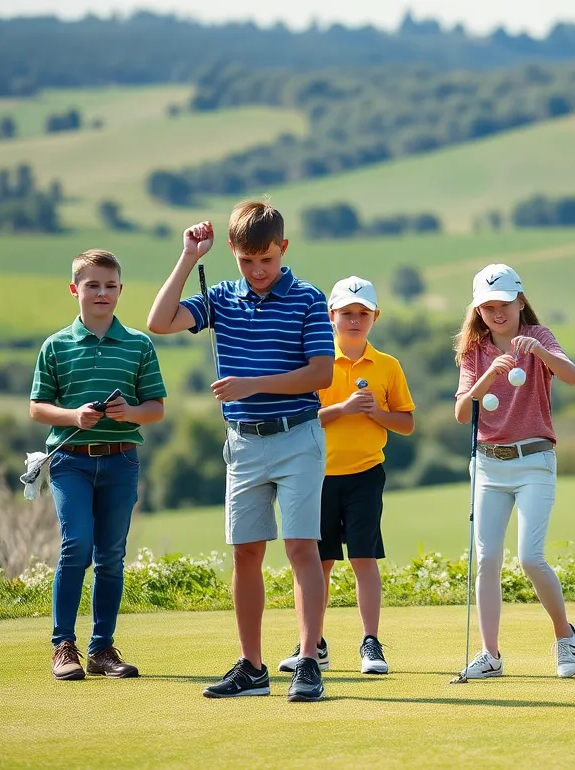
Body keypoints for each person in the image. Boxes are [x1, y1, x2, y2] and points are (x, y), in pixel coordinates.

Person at [147, 200, 335, 702]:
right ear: (231, 251)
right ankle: (251, 668)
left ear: (284, 249)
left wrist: (253, 385)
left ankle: (309, 662)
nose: (257, 272)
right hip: (243, 444)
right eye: (247, 261)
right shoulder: (221, 296)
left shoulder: (310, 299)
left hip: (298, 436)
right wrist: (189, 256)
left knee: (301, 549)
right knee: (246, 553)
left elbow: (323, 374)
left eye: (267, 261)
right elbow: (159, 321)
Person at [30, 249, 167, 681]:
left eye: (110, 285)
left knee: (111, 556)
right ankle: (63, 646)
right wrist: (74, 417)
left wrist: (130, 413)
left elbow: (156, 408)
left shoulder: (139, 344)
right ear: (75, 289)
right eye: (92, 285)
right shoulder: (56, 345)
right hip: (70, 463)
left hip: (121, 460)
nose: (102, 293)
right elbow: (37, 408)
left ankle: (101, 650)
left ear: (120, 290)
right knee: (77, 547)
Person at [276, 276, 416, 675]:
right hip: (314, 475)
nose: (355, 320)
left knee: (363, 558)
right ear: (331, 316)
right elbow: (303, 419)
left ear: (374, 317)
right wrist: (345, 409)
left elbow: (406, 423)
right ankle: (313, 644)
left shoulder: (387, 365)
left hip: (366, 474)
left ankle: (371, 644)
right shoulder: (316, 363)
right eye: (346, 314)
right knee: (317, 563)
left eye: (363, 313)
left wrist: (375, 413)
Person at [452, 263, 575, 679]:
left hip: (534, 462)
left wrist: (539, 352)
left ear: (520, 301)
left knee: (530, 557)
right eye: (487, 306)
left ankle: (565, 636)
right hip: (489, 465)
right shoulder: (474, 351)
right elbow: (461, 413)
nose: (497, 313)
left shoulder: (539, 336)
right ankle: (490, 654)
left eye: (504, 304)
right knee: (487, 558)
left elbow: (573, 376)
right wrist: (485, 380)